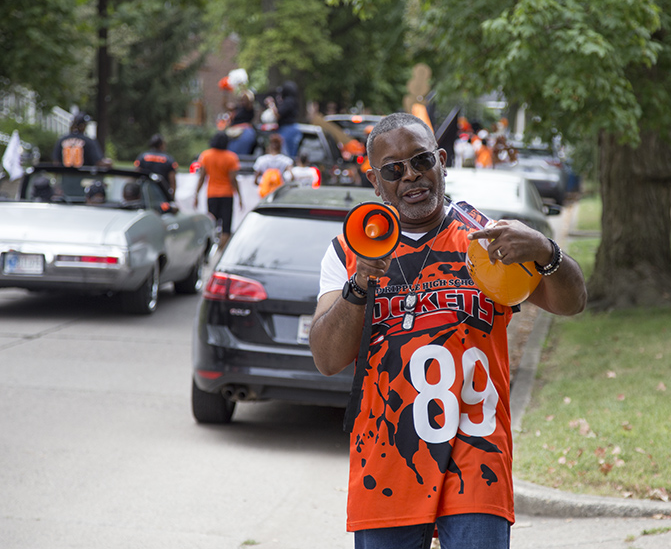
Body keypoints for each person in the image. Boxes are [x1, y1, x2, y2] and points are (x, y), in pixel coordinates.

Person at [308, 113, 587, 548]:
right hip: (388, 461)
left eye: (421, 161)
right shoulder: (350, 250)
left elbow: (571, 303)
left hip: (477, 460)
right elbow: (327, 359)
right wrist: (360, 282)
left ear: (441, 161)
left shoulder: (487, 241)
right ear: (375, 181)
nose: (411, 176)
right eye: (393, 170)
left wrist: (547, 251)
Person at [194, 132, 243, 251]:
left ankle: (210, 248)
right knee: (226, 224)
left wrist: (196, 194)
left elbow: (202, 177)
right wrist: (240, 196)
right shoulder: (231, 157)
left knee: (212, 222)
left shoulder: (206, 155)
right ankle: (221, 250)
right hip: (227, 194)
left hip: (212, 193)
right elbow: (233, 179)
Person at [134, 134, 179, 198]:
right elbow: (172, 181)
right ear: (161, 145)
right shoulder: (168, 159)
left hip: (144, 192)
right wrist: (171, 198)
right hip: (161, 194)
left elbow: (135, 174)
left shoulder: (142, 157)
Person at [266, 81, 301, 158]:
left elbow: (278, 114)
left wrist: (271, 104)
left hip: (287, 129)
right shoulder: (294, 101)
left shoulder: (288, 101)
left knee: (285, 155)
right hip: (292, 128)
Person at [225, 90, 257, 156]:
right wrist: (225, 92)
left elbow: (248, 100)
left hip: (244, 130)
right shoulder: (238, 108)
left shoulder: (249, 109)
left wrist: (244, 91)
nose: (242, 101)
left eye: (244, 100)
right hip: (233, 131)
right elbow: (226, 105)